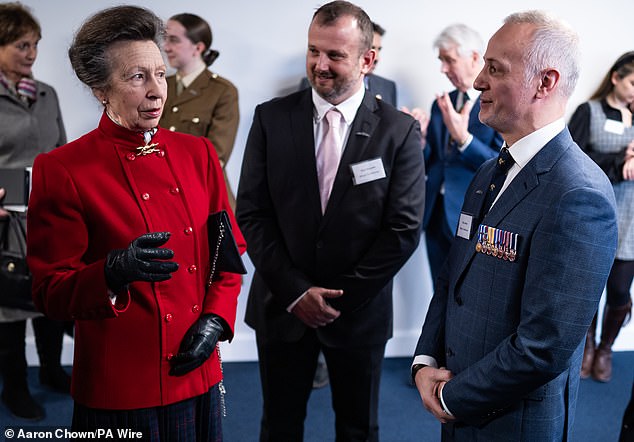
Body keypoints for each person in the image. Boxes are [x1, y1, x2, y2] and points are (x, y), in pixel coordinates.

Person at [26, 6, 245, 439]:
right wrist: (110, 273)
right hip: (119, 387)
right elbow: (50, 293)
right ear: (99, 89)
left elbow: (228, 258)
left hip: (197, 370)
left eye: (160, 74)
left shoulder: (198, 155)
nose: (157, 92)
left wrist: (216, 321)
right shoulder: (62, 168)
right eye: (136, 77)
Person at [412, 10, 618, 441]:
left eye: (494, 68)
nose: (478, 81)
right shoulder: (489, 172)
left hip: (512, 423)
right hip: (459, 403)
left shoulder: (578, 193)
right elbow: (453, 280)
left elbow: (544, 346)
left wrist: (451, 397)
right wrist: (426, 362)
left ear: (546, 82)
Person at [236, 1, 425, 440]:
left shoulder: (398, 131)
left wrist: (339, 300)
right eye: (313, 51)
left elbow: (402, 229)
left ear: (367, 60)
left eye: (335, 55)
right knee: (279, 425)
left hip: (358, 313)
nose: (320, 65)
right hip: (282, 307)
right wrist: (296, 291)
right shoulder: (271, 118)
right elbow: (252, 211)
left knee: (358, 428)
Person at [0, 1, 69, 421]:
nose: (31, 53)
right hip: (5, 221)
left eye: (36, 44)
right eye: (21, 45)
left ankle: (50, 371)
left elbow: (61, 150)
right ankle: (15, 387)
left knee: (51, 299)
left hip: (48, 215)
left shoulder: (47, 94)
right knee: (8, 307)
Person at [569, 51, 634, 383]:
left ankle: (606, 347)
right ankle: (587, 347)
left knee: (621, 290)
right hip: (597, 213)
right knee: (590, 287)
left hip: (632, 217)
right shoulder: (588, 111)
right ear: (615, 77)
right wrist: (619, 158)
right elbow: (572, 158)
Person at [422, 23, 503, 285]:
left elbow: (501, 163)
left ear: (474, 58)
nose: (443, 69)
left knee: (465, 292)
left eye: (449, 60)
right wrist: (418, 141)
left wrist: (464, 139)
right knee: (438, 289)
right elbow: (431, 159)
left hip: (472, 214)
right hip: (433, 212)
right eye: (441, 61)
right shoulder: (439, 104)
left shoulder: (496, 104)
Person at [160, 13, 239, 209]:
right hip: (159, 193)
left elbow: (216, 156)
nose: (166, 47)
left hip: (204, 196)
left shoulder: (223, 91)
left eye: (174, 40)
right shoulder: (159, 86)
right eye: (165, 39)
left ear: (198, 47)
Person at [299, 21, 398, 106]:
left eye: (378, 49)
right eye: (371, 48)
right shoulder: (311, 82)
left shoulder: (388, 86)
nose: (376, 58)